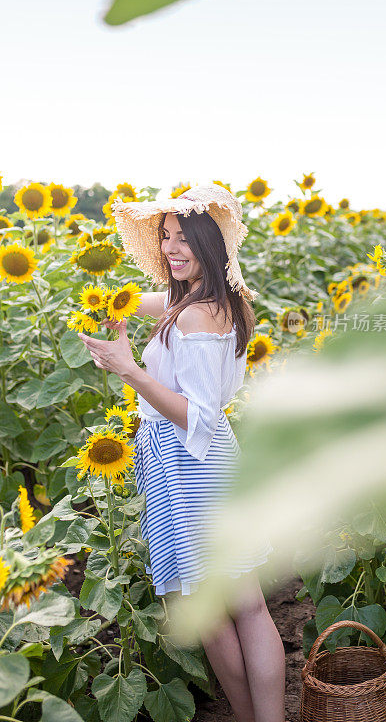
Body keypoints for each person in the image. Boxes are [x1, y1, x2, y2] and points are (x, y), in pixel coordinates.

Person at [78, 184, 286, 722]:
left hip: (192, 464)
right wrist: (109, 302)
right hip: (186, 463)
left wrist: (128, 369)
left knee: (235, 606)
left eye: (182, 238)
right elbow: (138, 301)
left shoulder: (196, 317)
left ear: (209, 244)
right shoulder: (208, 301)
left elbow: (198, 416)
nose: (171, 248)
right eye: (164, 237)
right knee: (227, 607)